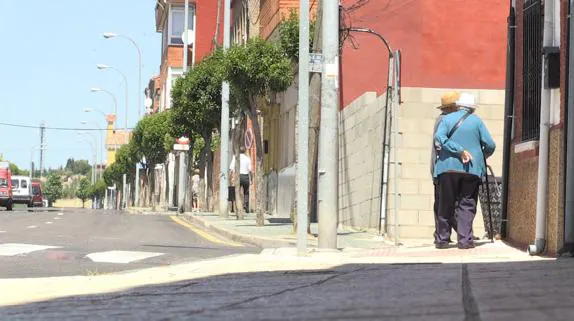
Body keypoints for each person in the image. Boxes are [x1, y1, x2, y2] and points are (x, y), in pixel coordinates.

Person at [433, 92, 496, 249]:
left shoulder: (446, 120)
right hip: (471, 170)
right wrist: (479, 155)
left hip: (447, 168)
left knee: (445, 203)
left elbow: (439, 138)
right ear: (472, 108)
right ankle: (465, 240)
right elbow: (490, 145)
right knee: (467, 203)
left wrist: (456, 150)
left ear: (458, 106)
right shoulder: (477, 122)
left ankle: (442, 239)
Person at [431, 91, 460, 243]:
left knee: (444, 202)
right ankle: (442, 234)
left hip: (440, 168)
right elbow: (439, 145)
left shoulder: (444, 119)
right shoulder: (444, 121)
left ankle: (445, 234)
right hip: (441, 168)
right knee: (444, 203)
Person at [230, 146, 252, 213]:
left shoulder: (235, 157)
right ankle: (246, 206)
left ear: (238, 151)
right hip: (245, 177)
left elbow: (231, 168)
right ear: (245, 151)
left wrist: (231, 177)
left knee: (237, 192)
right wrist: (251, 179)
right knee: (246, 192)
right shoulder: (248, 159)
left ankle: (238, 206)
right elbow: (250, 170)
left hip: (238, 176)